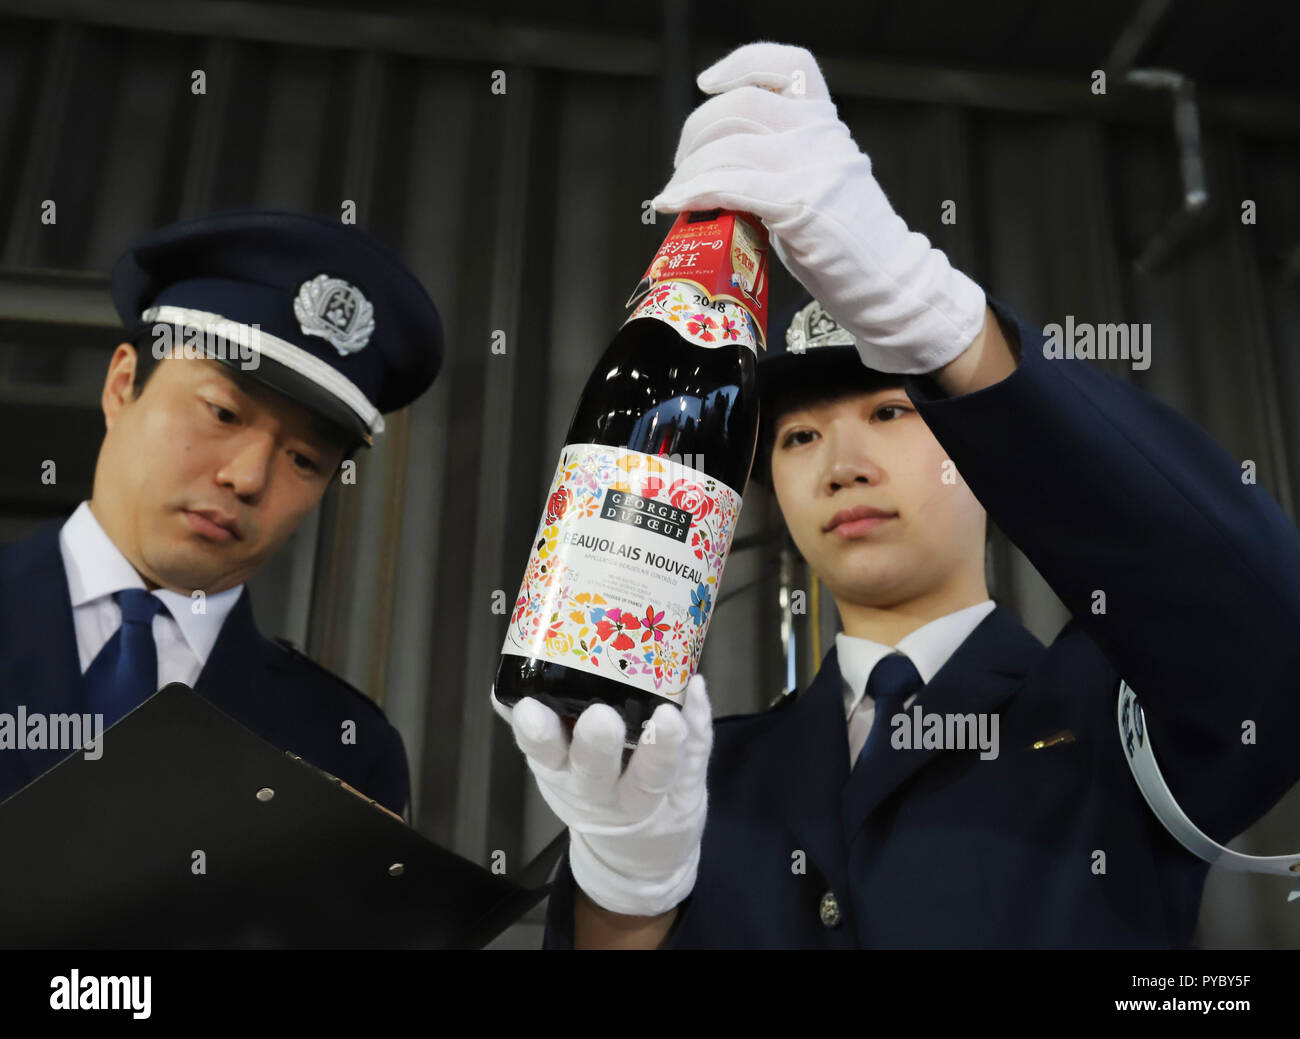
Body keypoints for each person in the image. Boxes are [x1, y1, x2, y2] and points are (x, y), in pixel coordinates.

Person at [495, 43, 1300, 948]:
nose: (841, 464)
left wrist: (935, 320)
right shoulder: (688, 780)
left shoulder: (1119, 714)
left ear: (983, 446)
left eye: (890, 412)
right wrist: (625, 895)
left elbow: (1272, 630)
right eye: (798, 437)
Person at [0, 209, 443, 818]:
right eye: (224, 414)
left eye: (304, 460)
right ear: (123, 385)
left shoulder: (346, 749)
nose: (249, 477)